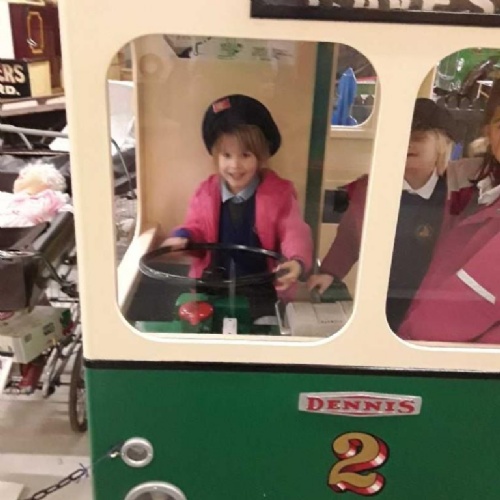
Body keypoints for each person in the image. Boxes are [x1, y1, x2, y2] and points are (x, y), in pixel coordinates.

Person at [307, 98, 460, 330]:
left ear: (442, 145)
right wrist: (329, 272)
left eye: (418, 138)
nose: (408, 144)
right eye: (402, 137)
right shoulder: (370, 189)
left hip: (434, 297)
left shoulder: (455, 193)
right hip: (382, 294)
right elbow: (349, 238)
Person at [162, 94, 312, 308]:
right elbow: (196, 228)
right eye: (226, 155)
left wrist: (296, 261)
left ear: (260, 157)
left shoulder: (280, 194)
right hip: (213, 289)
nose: (235, 165)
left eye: (245, 155)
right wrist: (182, 238)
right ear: (216, 157)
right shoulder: (205, 192)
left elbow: (293, 230)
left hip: (261, 290)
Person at [398, 80, 500, 344]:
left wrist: (406, 341)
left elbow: (461, 308)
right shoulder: (475, 183)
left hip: (446, 351)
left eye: (419, 138)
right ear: (488, 131)